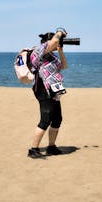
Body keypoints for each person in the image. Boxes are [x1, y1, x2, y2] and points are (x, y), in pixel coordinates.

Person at [27, 28, 68, 159]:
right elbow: (55, 40)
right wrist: (60, 32)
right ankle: (33, 149)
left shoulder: (52, 55)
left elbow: (64, 66)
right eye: (55, 43)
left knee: (57, 119)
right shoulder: (39, 50)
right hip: (44, 89)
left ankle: (51, 147)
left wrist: (61, 51)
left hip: (55, 89)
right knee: (45, 119)